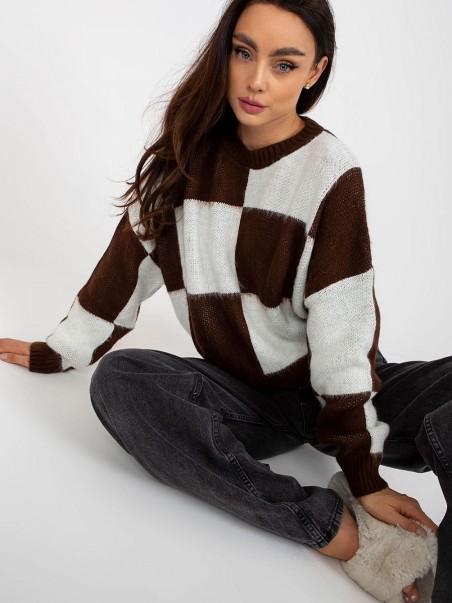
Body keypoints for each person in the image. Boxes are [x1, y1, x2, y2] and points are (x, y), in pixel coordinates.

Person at [1, 1, 450, 601]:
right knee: (121, 383)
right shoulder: (185, 157)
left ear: (315, 71)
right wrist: (61, 350)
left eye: (283, 64)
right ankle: (341, 534)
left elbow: (344, 327)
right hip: (243, 398)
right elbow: (126, 266)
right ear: (225, 53)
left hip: (337, 390)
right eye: (244, 53)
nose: (256, 80)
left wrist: (363, 471)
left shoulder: (331, 172)